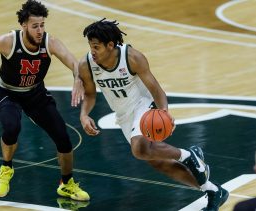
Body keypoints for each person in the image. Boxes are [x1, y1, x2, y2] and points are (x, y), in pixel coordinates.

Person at [78, 18, 228, 210]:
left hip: (144, 105)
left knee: (139, 149)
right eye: (90, 46)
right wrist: (84, 114)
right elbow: (90, 94)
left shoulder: (132, 57)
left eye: (96, 46)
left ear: (110, 45)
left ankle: (188, 155)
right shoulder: (88, 64)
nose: (92, 51)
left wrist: (164, 112)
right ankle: (214, 190)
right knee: (159, 163)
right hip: (124, 115)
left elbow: (156, 89)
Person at [0, 0, 89, 201]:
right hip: (9, 92)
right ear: (23, 25)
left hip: (35, 94)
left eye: (42, 25)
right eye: (35, 26)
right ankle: (6, 169)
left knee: (63, 137)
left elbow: (73, 61)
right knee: (11, 127)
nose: (40, 30)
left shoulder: (50, 42)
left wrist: (77, 77)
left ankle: (66, 184)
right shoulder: (8, 41)